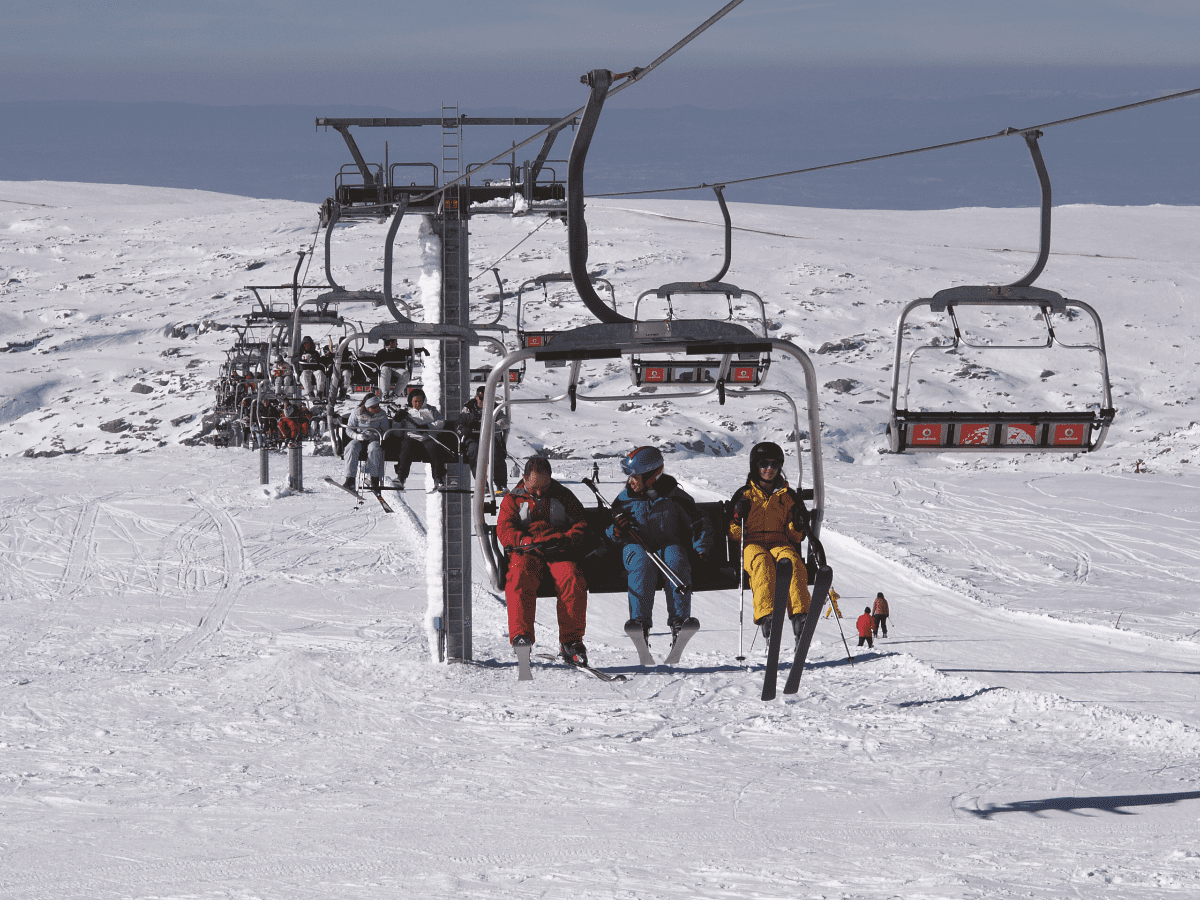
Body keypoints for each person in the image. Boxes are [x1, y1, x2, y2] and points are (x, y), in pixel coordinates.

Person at [607, 445, 713, 645]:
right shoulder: (625, 501)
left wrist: (701, 549)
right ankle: (640, 624)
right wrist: (617, 530)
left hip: (667, 545)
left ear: (651, 478)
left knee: (676, 557)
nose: (630, 482)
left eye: (635, 477)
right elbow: (608, 532)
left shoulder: (674, 498)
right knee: (641, 563)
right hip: (636, 546)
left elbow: (698, 523)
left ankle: (679, 623)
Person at [495, 457, 589, 665]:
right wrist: (523, 541)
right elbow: (505, 528)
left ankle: (571, 641)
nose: (539, 492)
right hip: (527, 551)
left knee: (572, 578)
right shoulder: (514, 499)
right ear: (524, 479)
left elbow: (580, 523)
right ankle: (522, 637)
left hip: (558, 550)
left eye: (544, 486)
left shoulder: (563, 496)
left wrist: (566, 539)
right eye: (534, 487)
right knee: (519, 577)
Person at [728, 441, 812, 641]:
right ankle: (768, 617)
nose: (769, 469)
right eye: (764, 464)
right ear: (755, 466)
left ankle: (800, 617)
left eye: (775, 465)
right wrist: (740, 516)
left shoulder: (787, 496)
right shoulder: (744, 495)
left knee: (792, 562)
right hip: (751, 543)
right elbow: (733, 534)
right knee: (761, 563)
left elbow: (795, 537)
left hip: (779, 541)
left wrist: (798, 525)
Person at [393, 387, 447, 489]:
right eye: (415, 401)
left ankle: (439, 478)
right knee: (406, 447)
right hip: (412, 438)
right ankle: (401, 477)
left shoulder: (431, 410)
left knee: (434, 448)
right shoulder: (406, 412)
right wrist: (397, 420)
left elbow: (440, 422)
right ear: (411, 401)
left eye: (420, 401)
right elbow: (397, 433)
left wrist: (429, 427)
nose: (418, 403)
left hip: (427, 438)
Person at [458, 385, 509, 492]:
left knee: (495, 454)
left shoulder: (495, 408)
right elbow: (460, 422)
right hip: (473, 437)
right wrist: (463, 429)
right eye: (481, 399)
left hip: (489, 437)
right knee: (474, 451)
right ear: (476, 397)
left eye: (486, 399)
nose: (483, 402)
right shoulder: (468, 408)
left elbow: (504, 421)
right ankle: (482, 484)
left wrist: (495, 425)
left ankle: (501, 485)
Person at [341, 393, 391, 491]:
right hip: (360, 438)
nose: (376, 409)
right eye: (373, 407)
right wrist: (356, 436)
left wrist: (375, 435)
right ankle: (350, 479)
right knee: (351, 447)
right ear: (367, 406)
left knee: (374, 449)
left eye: (377, 406)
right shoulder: (356, 412)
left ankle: (374, 478)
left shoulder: (381, 414)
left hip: (373, 438)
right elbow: (349, 429)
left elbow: (386, 431)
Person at [294, 335, 330, 401]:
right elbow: (293, 360)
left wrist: (314, 359)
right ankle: (310, 393)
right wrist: (301, 357)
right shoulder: (299, 352)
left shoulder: (315, 352)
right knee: (305, 375)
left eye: (309, 345)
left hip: (314, 369)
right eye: (306, 345)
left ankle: (320, 392)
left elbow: (319, 360)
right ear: (303, 345)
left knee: (320, 373)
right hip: (304, 369)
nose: (307, 346)